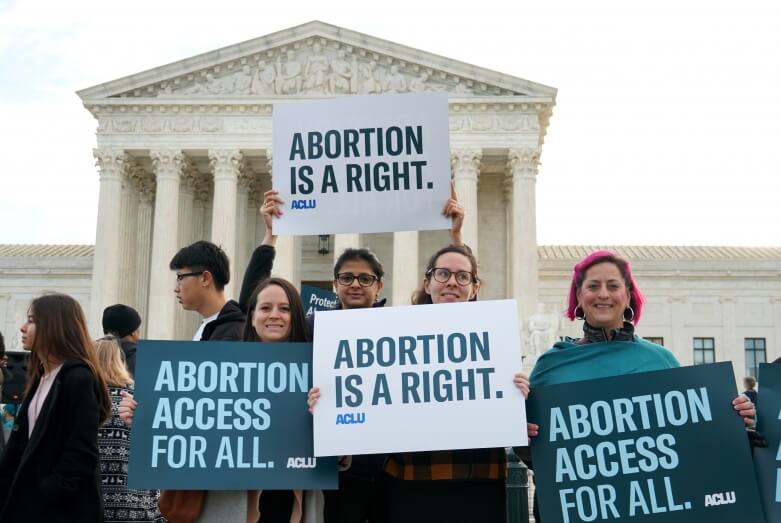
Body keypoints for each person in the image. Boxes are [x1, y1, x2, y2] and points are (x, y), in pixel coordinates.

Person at [526, 250, 755, 521]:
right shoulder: (551, 364)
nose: (603, 294)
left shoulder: (660, 360)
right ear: (578, 296)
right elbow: (535, 455)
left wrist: (735, 420)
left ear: (628, 296)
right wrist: (523, 437)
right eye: (592, 286)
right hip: (579, 509)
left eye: (613, 286)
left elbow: (689, 442)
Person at [311, 244, 527, 523]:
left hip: (479, 479)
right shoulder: (397, 332)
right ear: (427, 283)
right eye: (442, 274)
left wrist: (519, 393)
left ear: (475, 288)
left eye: (462, 277)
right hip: (412, 480)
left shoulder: (495, 338)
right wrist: (329, 406)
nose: (451, 281)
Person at [120, 238, 275, 523]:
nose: (176, 287)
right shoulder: (212, 327)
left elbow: (212, 407)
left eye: (181, 277)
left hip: (219, 483)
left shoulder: (232, 331)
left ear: (205, 278)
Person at [0, 293, 112, 522]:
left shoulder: (78, 378)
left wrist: (45, 493)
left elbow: (82, 451)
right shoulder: (41, 376)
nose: (22, 328)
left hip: (59, 510)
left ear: (54, 325)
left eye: (31, 320)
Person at [242, 277, 323, 523]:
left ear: (296, 316)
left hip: (292, 501)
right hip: (236, 500)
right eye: (266, 308)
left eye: (285, 309)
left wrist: (325, 419)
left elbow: (341, 458)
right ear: (253, 316)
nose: (275, 315)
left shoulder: (320, 372)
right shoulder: (219, 372)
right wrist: (142, 416)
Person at [94, 336, 164, 523]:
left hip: (96, 500)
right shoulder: (139, 399)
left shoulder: (86, 400)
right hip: (137, 503)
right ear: (121, 362)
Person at [102, 304, 142, 376]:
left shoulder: (91, 356)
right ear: (133, 332)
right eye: (138, 329)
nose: (139, 333)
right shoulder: (142, 360)